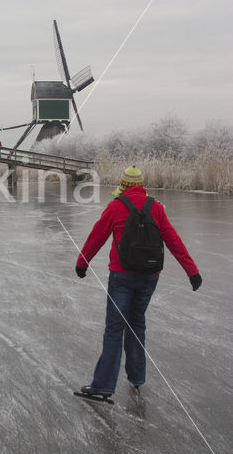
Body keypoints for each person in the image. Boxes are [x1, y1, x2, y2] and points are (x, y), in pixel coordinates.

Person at [75, 165, 202, 399]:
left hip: (122, 276)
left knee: (115, 327)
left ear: (123, 185)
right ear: (141, 186)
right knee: (137, 323)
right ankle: (137, 377)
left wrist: (82, 263)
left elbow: (97, 237)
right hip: (150, 276)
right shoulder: (156, 207)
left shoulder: (115, 207)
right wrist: (191, 271)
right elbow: (173, 240)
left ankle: (103, 384)